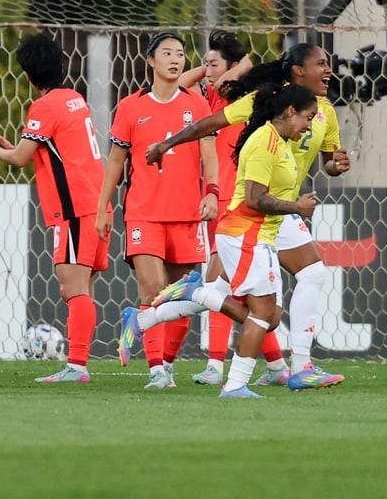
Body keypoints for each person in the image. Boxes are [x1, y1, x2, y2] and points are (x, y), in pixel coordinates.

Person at [147, 43, 351, 390]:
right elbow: (210, 123)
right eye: (321, 63)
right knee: (301, 284)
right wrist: (167, 144)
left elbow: (329, 161)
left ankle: (144, 318)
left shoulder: (324, 112)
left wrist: (334, 166)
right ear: (298, 70)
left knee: (242, 300)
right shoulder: (267, 104)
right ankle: (297, 367)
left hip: (278, 210)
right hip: (262, 209)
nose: (329, 70)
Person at [120, 83, 320, 399]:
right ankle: (234, 383)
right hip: (247, 235)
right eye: (308, 117)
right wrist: (297, 207)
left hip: (256, 237)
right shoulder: (264, 143)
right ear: (290, 111)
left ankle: (145, 318)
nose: (309, 125)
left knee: (270, 317)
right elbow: (254, 199)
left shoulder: (278, 141)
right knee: (262, 316)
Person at [0, 34, 108, 383]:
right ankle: (78, 363)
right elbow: (55, 151)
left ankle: (77, 367)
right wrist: (13, 146)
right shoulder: (74, 99)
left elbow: (19, 158)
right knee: (81, 287)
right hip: (96, 203)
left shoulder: (44, 106)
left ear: (29, 77)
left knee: (72, 287)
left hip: (75, 208)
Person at [95, 33, 217, 389]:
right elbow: (115, 161)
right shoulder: (131, 108)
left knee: (183, 296)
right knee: (153, 292)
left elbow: (210, 154)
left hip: (187, 213)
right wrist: (102, 208)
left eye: (180, 54)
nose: (175, 59)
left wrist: (211, 192)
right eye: (167, 53)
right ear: (150, 60)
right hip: (143, 214)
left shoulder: (197, 106)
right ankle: (156, 371)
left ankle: (167, 363)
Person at [172, 32, 289, 386]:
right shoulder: (210, 96)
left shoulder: (246, 98)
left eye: (214, 64)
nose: (207, 71)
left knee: (226, 289)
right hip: (224, 201)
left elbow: (249, 65)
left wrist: (234, 69)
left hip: (238, 201)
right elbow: (177, 82)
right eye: (204, 63)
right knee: (239, 292)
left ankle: (221, 364)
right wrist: (209, 68)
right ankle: (269, 365)